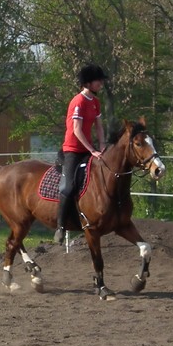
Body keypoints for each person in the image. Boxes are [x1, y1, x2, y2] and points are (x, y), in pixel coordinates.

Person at [55, 64, 108, 244]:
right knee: (69, 187)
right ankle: (60, 226)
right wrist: (92, 150)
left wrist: (102, 145)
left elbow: (99, 127)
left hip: (88, 149)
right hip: (72, 150)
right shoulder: (78, 101)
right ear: (88, 83)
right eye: (98, 80)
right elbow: (77, 130)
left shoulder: (95, 102)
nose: (101, 83)